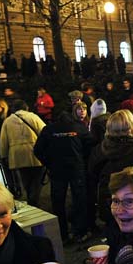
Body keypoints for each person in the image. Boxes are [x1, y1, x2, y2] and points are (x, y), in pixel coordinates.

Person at [34, 104, 95, 244]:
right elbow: (90, 144)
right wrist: (82, 159)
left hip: (57, 170)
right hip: (76, 168)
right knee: (79, 199)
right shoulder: (79, 127)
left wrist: (48, 163)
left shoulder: (48, 130)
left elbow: (37, 150)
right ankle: (80, 232)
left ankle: (63, 234)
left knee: (58, 202)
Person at [88, 109, 133, 224]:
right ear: (131, 126)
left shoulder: (99, 150)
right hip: (132, 207)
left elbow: (92, 174)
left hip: (108, 206)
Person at [0, 100, 46, 206]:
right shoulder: (33, 117)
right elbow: (44, 132)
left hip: (17, 155)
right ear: (26, 108)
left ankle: (30, 197)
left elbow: (3, 141)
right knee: (37, 178)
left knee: (25, 179)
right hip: (35, 153)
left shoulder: (7, 121)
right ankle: (33, 199)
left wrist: (4, 156)